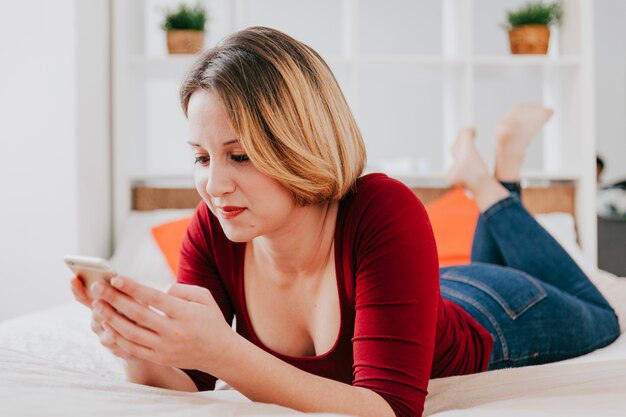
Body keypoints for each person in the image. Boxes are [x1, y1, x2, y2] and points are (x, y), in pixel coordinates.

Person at [70, 27, 620, 417]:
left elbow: (388, 409)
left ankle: (489, 186)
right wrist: (136, 344)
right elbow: (187, 383)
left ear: (299, 144)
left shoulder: (384, 208)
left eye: (240, 156)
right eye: (201, 157)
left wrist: (223, 351)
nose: (214, 185)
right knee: (476, 261)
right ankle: (496, 171)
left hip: (496, 311)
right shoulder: (215, 226)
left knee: (605, 315)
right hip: (425, 289)